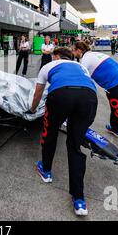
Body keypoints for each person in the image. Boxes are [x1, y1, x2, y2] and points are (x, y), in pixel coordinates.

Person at [30, 47, 98, 216]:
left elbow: (38, 91)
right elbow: (85, 85)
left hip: (61, 95)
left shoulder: (49, 66)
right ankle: (79, 200)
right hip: (89, 98)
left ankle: (46, 171)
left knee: (50, 133)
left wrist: (32, 109)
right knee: (75, 145)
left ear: (56, 56)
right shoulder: (80, 66)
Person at [72, 41, 118, 153]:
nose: (72, 52)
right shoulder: (93, 54)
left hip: (117, 84)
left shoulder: (86, 60)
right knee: (115, 107)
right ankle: (115, 128)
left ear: (79, 50)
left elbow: (81, 78)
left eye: (73, 50)